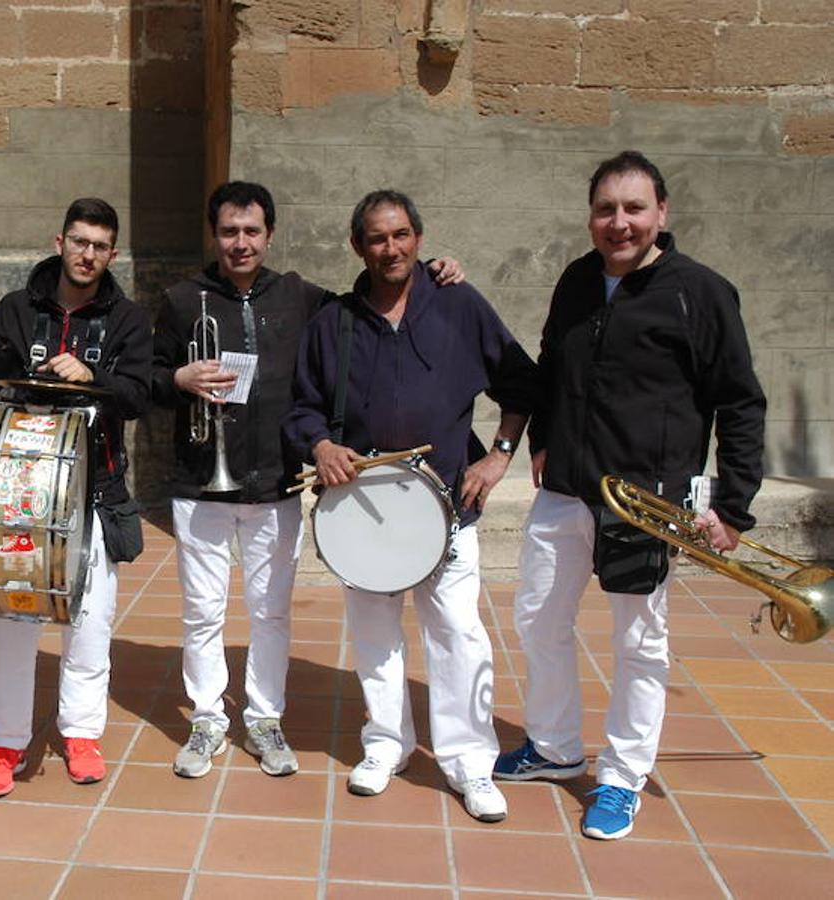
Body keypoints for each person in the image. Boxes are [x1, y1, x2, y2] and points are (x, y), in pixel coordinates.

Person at [494, 151, 766, 840]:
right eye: (605, 209)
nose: (618, 223)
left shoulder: (699, 293)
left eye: (633, 208)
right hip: (565, 491)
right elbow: (553, 362)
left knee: (638, 642)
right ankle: (554, 749)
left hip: (645, 504)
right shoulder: (577, 280)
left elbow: (738, 402)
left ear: (660, 214)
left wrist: (731, 506)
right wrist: (543, 442)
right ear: (591, 217)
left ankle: (620, 777)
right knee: (537, 619)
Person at [152, 181, 464, 779]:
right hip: (200, 483)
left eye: (251, 231)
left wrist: (432, 270)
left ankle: (265, 718)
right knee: (201, 611)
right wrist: (177, 380)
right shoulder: (179, 300)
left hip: (276, 484)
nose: (240, 243)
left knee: (271, 612)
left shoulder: (302, 297)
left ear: (269, 235)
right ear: (213, 235)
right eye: (228, 232)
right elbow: (148, 379)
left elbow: (374, 296)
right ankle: (208, 718)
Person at [284, 189, 538, 823]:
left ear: (418, 240)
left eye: (400, 235)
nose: (390, 248)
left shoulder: (459, 305)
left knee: (457, 635)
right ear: (357, 246)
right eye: (377, 238)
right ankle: (386, 745)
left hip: (449, 505)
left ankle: (469, 763)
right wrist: (319, 444)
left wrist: (499, 454)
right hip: (364, 517)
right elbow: (302, 406)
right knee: (374, 636)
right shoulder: (334, 323)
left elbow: (522, 382)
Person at [0, 197, 152, 797]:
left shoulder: (126, 319)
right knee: (10, 615)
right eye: (80, 241)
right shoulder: (15, 310)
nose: (88, 254)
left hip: (94, 490)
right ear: (60, 242)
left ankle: (81, 734)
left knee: (91, 620)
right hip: (19, 492)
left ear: (112, 253)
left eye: (100, 246)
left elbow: (139, 395)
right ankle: (3, 745)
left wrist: (94, 379)